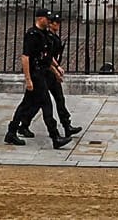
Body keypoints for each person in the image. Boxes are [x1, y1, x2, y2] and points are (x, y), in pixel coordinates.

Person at [5, 9, 71, 148]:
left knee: (25, 105)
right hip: (35, 74)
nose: (49, 21)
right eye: (47, 18)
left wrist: (56, 68)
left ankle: (11, 132)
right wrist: (28, 79)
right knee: (46, 105)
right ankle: (55, 137)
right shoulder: (32, 34)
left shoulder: (44, 34)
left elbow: (46, 57)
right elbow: (25, 58)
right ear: (40, 18)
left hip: (42, 72)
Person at [40, 9, 76, 141]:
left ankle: (67, 126)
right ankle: (18, 126)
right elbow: (47, 57)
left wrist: (57, 67)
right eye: (56, 23)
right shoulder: (47, 37)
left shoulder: (54, 37)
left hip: (51, 72)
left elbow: (52, 57)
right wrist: (56, 70)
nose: (58, 25)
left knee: (59, 99)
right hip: (45, 73)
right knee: (35, 104)